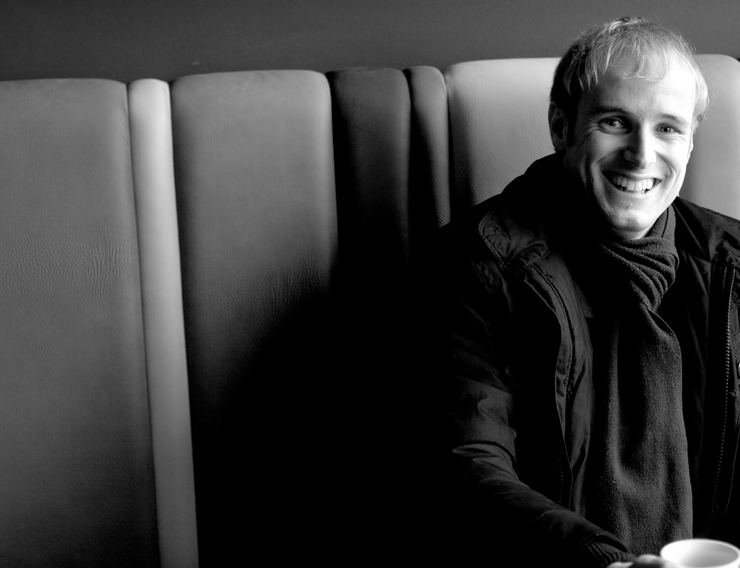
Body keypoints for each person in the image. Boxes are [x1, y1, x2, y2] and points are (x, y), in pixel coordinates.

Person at [427, 16, 740, 568]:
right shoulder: (477, 265)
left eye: (668, 128)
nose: (642, 154)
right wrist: (600, 561)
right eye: (615, 122)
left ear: (691, 141)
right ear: (560, 127)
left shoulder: (732, 265)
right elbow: (467, 462)